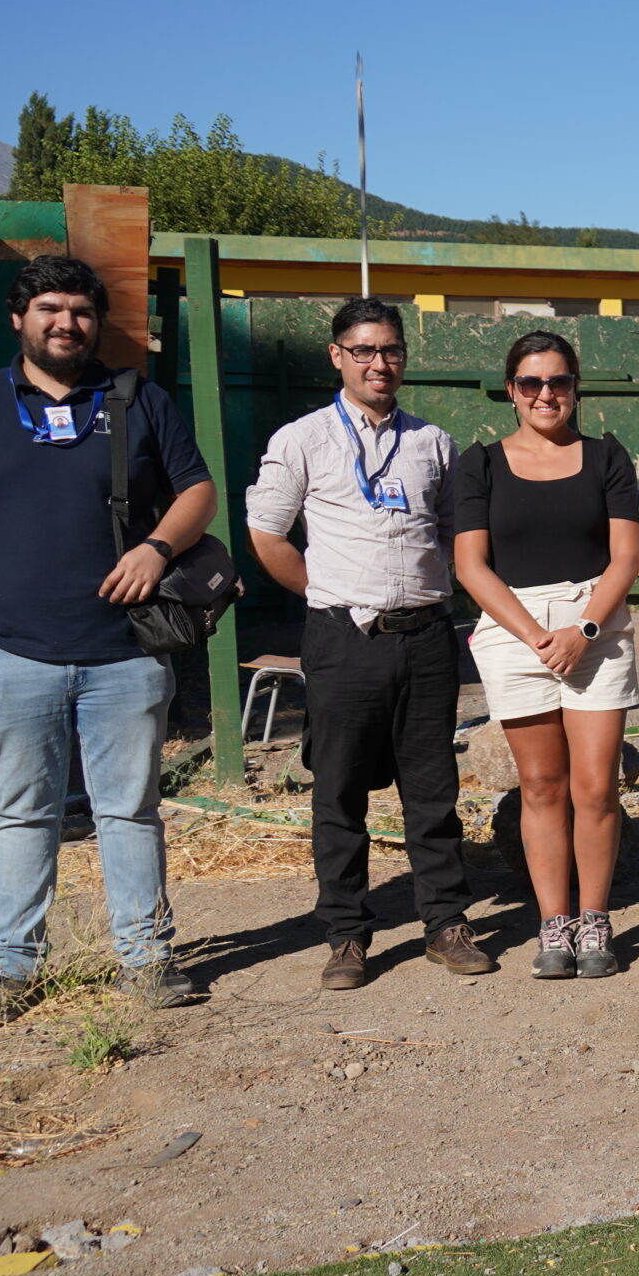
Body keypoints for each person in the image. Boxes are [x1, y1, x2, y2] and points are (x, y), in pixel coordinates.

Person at [0, 255, 216, 1028]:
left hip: (126, 656)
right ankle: (12, 969)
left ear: (95, 323)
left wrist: (157, 548)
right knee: (21, 815)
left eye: (79, 310)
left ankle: (146, 959)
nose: (65, 322)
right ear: (19, 318)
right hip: (8, 655)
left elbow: (198, 491)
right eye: (48, 308)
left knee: (130, 812)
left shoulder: (138, 401)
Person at [247, 298, 485, 990]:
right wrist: (327, 595)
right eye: (363, 351)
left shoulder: (432, 442)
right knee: (341, 789)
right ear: (337, 356)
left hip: (427, 638)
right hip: (342, 637)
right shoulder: (302, 439)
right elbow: (267, 535)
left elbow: (450, 534)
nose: (379, 364)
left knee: (432, 787)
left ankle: (445, 922)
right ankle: (347, 933)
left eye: (390, 351)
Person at [453, 330, 639, 979]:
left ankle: (595, 920)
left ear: (574, 388)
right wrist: (535, 633)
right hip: (514, 629)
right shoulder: (478, 464)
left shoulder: (607, 456)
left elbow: (628, 558)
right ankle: (552, 924)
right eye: (531, 383)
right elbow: (471, 566)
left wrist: (582, 629)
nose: (545, 394)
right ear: (511, 390)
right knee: (541, 785)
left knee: (595, 786)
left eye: (558, 382)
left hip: (596, 629)